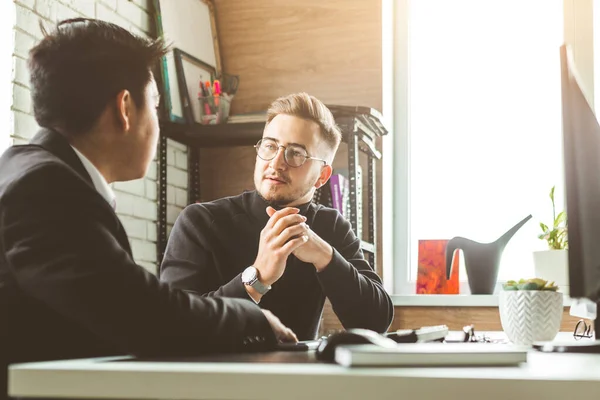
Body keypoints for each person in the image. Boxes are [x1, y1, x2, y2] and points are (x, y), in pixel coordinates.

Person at [0, 18, 296, 399]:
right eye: (154, 105)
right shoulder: (44, 187)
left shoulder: (31, 170)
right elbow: (139, 313)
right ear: (125, 108)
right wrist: (252, 318)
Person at [160, 93, 394, 341]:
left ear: (322, 176)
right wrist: (256, 278)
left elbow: (376, 323)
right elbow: (173, 326)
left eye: (296, 153)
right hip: (217, 377)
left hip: (299, 377)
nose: (276, 163)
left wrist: (325, 257)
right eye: (270, 146)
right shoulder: (200, 221)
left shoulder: (331, 226)